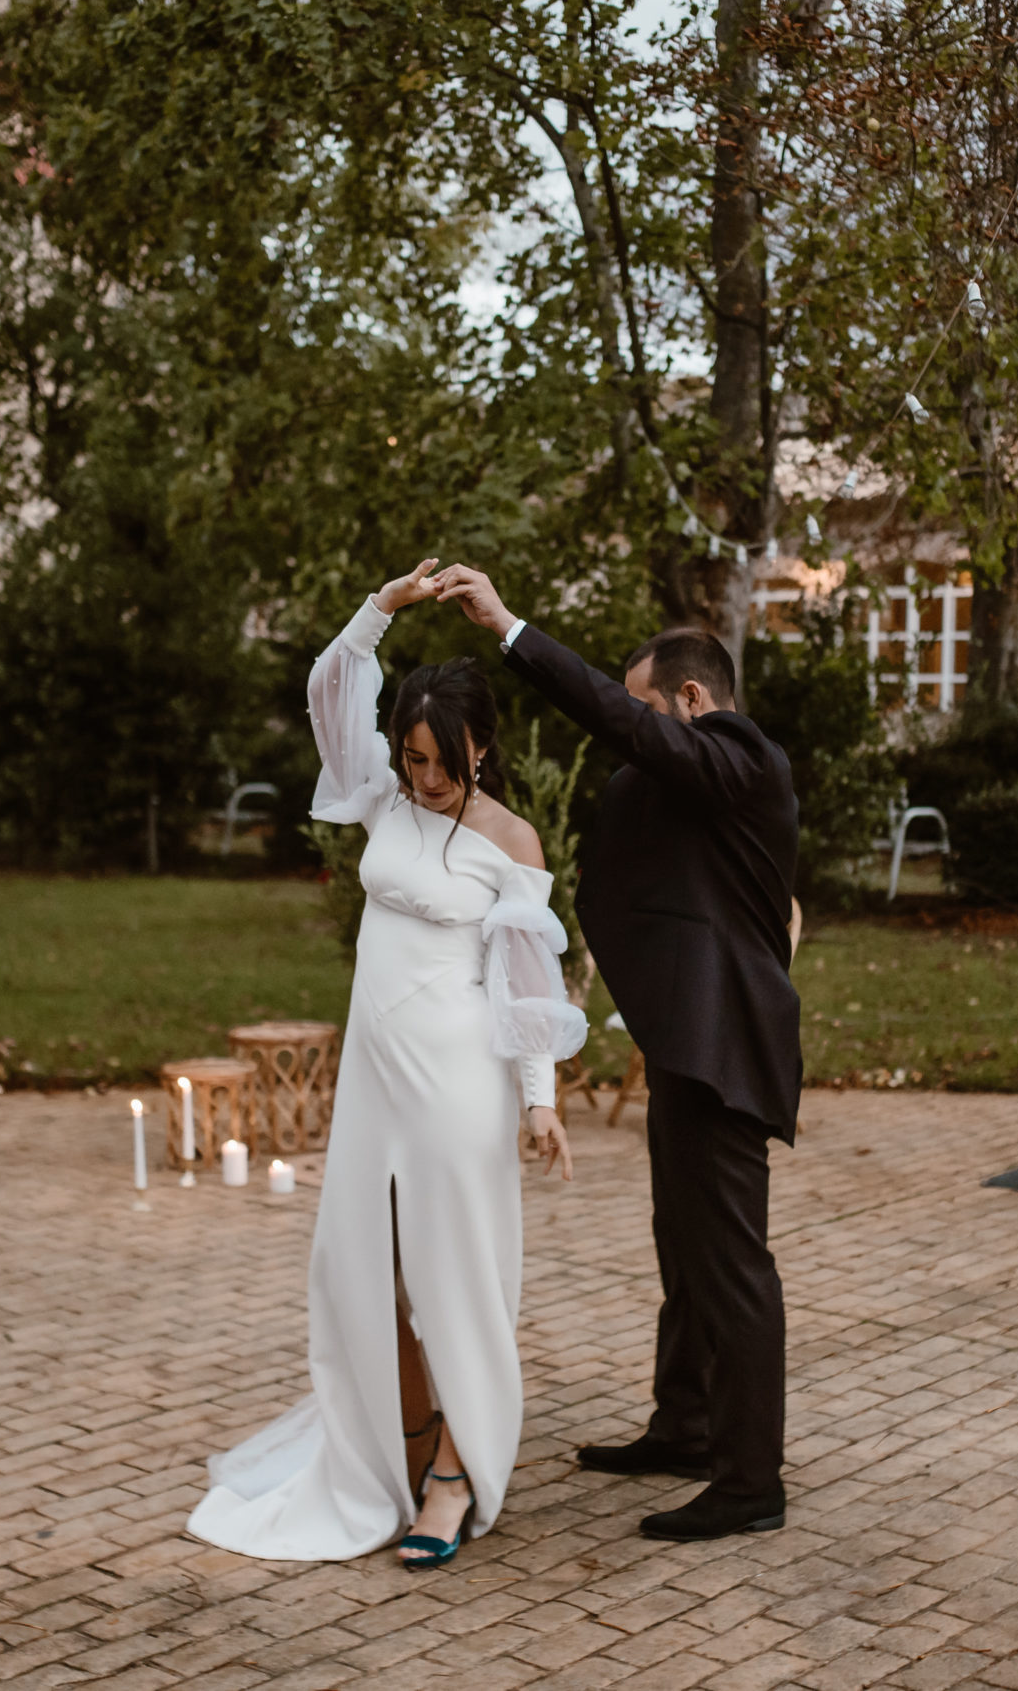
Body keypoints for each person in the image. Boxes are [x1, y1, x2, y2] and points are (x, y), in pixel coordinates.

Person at [187, 559, 587, 1568]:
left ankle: (454, 1474)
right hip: (374, 1079)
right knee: (357, 1267)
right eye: (411, 755)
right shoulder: (378, 799)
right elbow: (330, 686)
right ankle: (399, 1446)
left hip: (459, 1080)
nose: (425, 776)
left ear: (482, 746)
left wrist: (540, 1101)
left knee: (455, 1276)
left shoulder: (512, 843)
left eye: (442, 759)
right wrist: (382, 609)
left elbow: (527, 982)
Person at [432, 563, 801, 1543]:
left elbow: (627, 731)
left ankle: (749, 1479)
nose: (637, 729)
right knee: (681, 1247)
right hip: (689, 1043)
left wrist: (512, 631)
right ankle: (683, 1426)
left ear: (689, 699)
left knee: (730, 1264)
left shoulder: (742, 757)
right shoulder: (694, 780)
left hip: (726, 1049)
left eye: (648, 710)